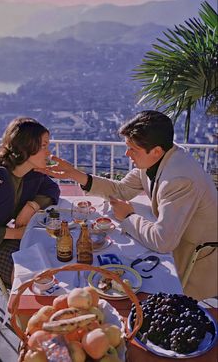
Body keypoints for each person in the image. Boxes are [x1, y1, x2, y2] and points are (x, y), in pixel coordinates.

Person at [36, 110, 217, 300]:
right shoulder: (160, 154)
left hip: (197, 256)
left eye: (133, 149)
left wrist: (128, 217)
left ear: (156, 151)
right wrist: (75, 174)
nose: (127, 153)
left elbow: (163, 242)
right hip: (177, 237)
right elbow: (122, 190)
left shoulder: (179, 178)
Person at [0, 117, 60, 288]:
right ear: (26, 146)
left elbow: (52, 189)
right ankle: (20, 312)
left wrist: (31, 206)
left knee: (49, 254)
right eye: (44, 146)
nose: (49, 152)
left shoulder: (31, 172)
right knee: (31, 278)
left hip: (1, 238)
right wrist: (16, 234)